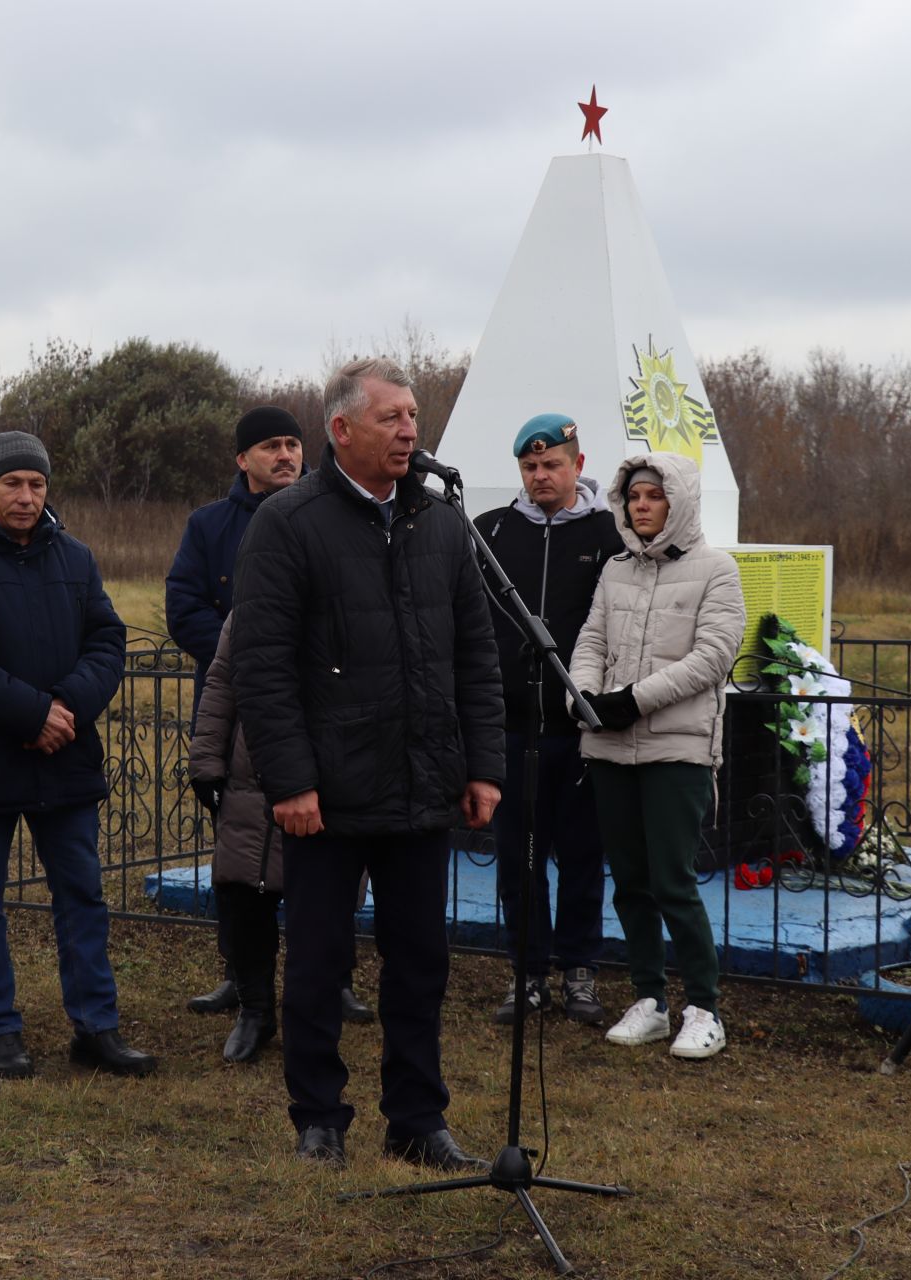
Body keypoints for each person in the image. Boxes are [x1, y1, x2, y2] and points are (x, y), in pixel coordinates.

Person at [231, 357, 506, 1168]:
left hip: (423, 788)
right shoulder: (288, 523)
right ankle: (318, 1117)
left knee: (421, 964)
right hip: (328, 794)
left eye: (415, 417)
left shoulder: (441, 523)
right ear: (342, 429)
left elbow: (476, 655)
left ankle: (418, 1120)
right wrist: (292, 781)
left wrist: (482, 766)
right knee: (318, 964)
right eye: (392, 418)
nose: (411, 431)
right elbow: (263, 666)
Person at [0, 431, 158, 1079]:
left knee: (82, 895)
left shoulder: (75, 557)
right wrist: (31, 715)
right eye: (12, 484)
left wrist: (65, 709)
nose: (25, 496)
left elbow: (107, 641)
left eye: (37, 484)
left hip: (65, 758)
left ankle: (96, 1027)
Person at [166, 408, 377, 1025]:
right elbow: (184, 607)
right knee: (243, 860)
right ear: (243, 459)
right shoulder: (209, 526)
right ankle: (243, 978)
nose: (285, 455)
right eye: (270, 446)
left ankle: (332, 979)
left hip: (325, 710)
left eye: (292, 443)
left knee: (332, 856)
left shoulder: (332, 511)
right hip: (237, 718)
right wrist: (254, 655)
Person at [569, 452, 745, 1060]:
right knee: (632, 882)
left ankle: (704, 1006)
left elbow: (714, 655)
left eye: (654, 496)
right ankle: (649, 997)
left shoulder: (716, 569)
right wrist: (586, 697)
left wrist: (633, 700)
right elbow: (591, 637)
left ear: (678, 501)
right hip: (612, 747)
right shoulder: (616, 569)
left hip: (678, 748)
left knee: (673, 881)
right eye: (634, 497)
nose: (642, 507)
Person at [476, 414, 624, 1026]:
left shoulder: (610, 535)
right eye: (530, 467)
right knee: (518, 859)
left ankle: (580, 972)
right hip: (511, 728)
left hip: (580, 728)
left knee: (584, 856)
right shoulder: (490, 533)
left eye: (552, 465)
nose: (540, 475)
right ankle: (527, 972)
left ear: (578, 466)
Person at [187, 616, 283, 1064]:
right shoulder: (255, 592)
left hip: (330, 774)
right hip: (250, 773)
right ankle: (255, 1010)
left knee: (323, 910)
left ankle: (315, 1011)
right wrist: (206, 760)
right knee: (242, 895)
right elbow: (221, 678)